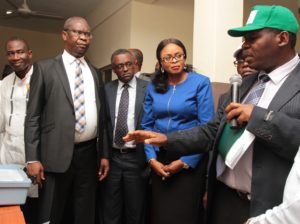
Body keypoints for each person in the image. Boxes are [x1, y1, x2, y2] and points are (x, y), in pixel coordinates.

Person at [124, 5, 300, 224]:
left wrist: (260, 117)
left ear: (282, 38)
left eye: (252, 38)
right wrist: (167, 140)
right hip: (224, 200)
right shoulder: (244, 84)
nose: (244, 46)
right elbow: (211, 131)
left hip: (267, 208)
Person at [24, 17, 109, 224]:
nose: (83, 38)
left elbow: (103, 118)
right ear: (64, 35)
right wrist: (32, 159)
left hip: (88, 155)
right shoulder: (44, 68)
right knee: (51, 213)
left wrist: (104, 155)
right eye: (77, 33)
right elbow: (33, 116)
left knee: (85, 212)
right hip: (54, 155)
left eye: (87, 34)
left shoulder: (95, 73)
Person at [143, 38, 214, 224]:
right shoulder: (153, 85)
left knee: (184, 216)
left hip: (189, 158)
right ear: (160, 63)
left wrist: (184, 162)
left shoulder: (201, 83)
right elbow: (147, 126)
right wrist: (152, 160)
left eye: (178, 56)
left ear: (185, 57)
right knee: (160, 216)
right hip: (160, 160)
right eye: (168, 58)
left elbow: (206, 128)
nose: (174, 61)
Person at [101, 49, 148, 224]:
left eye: (129, 64)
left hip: (136, 158)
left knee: (135, 210)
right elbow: (104, 126)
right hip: (112, 158)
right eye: (120, 66)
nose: (126, 69)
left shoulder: (148, 88)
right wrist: (104, 155)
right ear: (114, 69)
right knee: (110, 209)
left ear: (135, 65)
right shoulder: (106, 90)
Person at [0, 37, 37, 223]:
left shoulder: (41, 77)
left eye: (20, 52)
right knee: (12, 207)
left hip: (34, 154)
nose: (15, 57)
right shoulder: (4, 83)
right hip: (9, 154)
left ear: (29, 54)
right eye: (11, 53)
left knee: (34, 206)